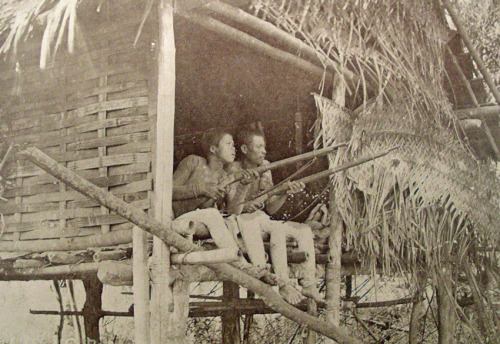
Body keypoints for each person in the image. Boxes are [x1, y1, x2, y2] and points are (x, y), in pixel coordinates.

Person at [226, 128, 323, 304]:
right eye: (259, 147)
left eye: (264, 147)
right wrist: (246, 200)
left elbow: (270, 209)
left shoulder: (266, 168)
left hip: (259, 217)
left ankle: (308, 283)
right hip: (239, 221)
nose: (264, 151)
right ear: (245, 149)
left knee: (303, 230)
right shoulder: (234, 168)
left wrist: (285, 192)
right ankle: (270, 282)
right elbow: (232, 210)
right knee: (251, 222)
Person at [172, 128, 256, 261]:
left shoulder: (225, 177)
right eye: (228, 144)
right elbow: (169, 191)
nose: (233, 149)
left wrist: (243, 187)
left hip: (201, 223)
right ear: (213, 149)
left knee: (230, 220)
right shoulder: (193, 162)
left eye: (233, 145)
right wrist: (201, 189)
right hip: (180, 220)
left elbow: (234, 212)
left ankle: (246, 264)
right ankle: (242, 264)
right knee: (212, 213)